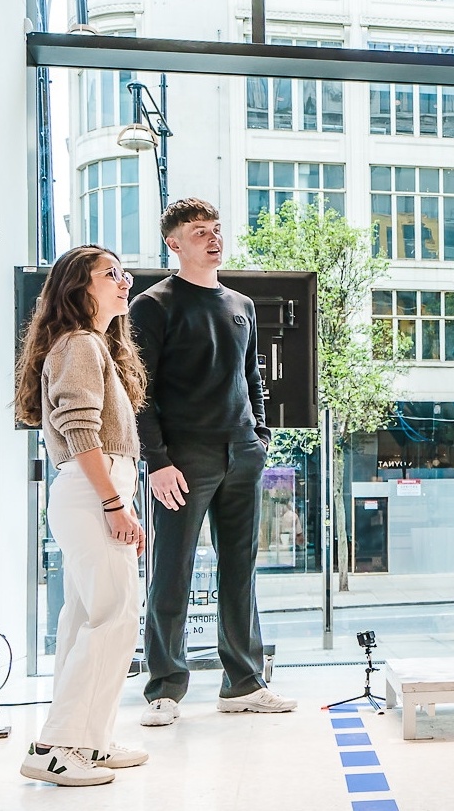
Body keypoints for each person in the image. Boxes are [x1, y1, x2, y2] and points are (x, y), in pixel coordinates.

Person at [131, 198, 295, 726]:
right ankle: (164, 689)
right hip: (182, 457)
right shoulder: (152, 305)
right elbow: (141, 391)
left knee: (240, 570)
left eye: (216, 229)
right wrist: (157, 460)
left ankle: (243, 683)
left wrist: (260, 434)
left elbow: (253, 380)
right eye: (200, 232)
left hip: (242, 451)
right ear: (174, 243)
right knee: (171, 571)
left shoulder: (241, 305)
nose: (213, 238)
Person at [14, 246, 149, 785]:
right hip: (95, 490)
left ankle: (87, 740)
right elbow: (79, 429)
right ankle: (57, 746)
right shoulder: (78, 344)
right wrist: (115, 504)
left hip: (92, 489)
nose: (124, 281)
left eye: (124, 272)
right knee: (112, 617)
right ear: (79, 287)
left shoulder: (90, 344)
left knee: (86, 617)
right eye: (109, 274)